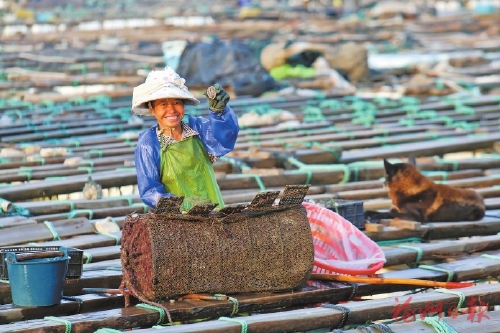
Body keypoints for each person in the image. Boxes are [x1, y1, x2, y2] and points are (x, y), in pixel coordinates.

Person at [132, 66, 239, 211]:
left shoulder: (197, 128)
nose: (171, 110)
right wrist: (179, 205)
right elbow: (150, 191)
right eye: (163, 104)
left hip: (215, 213)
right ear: (151, 109)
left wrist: (219, 113)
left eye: (176, 103)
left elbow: (224, 139)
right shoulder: (148, 144)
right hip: (178, 223)